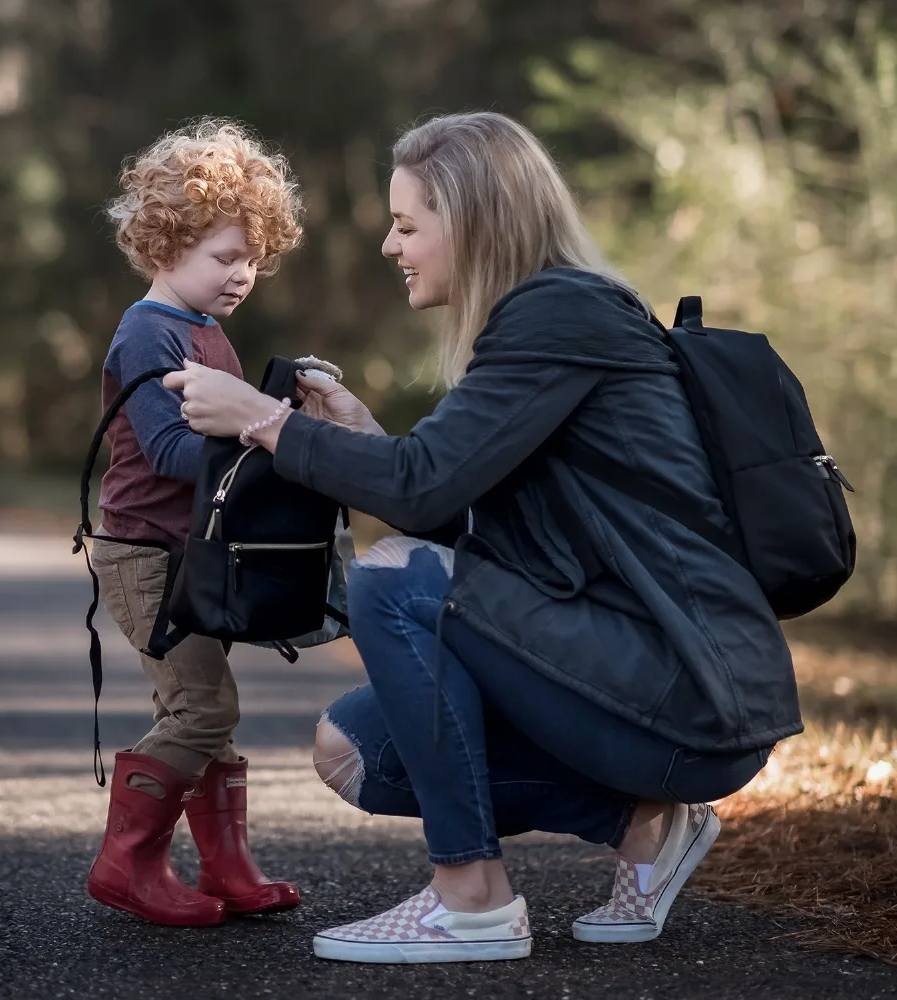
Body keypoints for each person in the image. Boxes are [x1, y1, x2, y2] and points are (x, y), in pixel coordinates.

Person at [164, 111, 800, 962]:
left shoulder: (561, 315)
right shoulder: (550, 319)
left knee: (393, 578)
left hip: (689, 692)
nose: (392, 246)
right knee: (356, 751)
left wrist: (267, 423)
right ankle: (643, 827)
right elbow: (447, 503)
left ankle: (472, 898)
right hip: (634, 669)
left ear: (471, 219)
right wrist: (358, 437)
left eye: (406, 224)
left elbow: (420, 498)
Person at [87, 118, 304, 926]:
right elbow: (176, 453)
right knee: (201, 709)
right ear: (164, 244)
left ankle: (228, 868)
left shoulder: (209, 333)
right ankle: (127, 863)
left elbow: (224, 444)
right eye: (225, 257)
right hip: (145, 556)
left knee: (207, 706)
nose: (243, 274)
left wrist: (277, 415)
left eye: (253, 259)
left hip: (193, 552)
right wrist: (267, 436)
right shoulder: (148, 330)